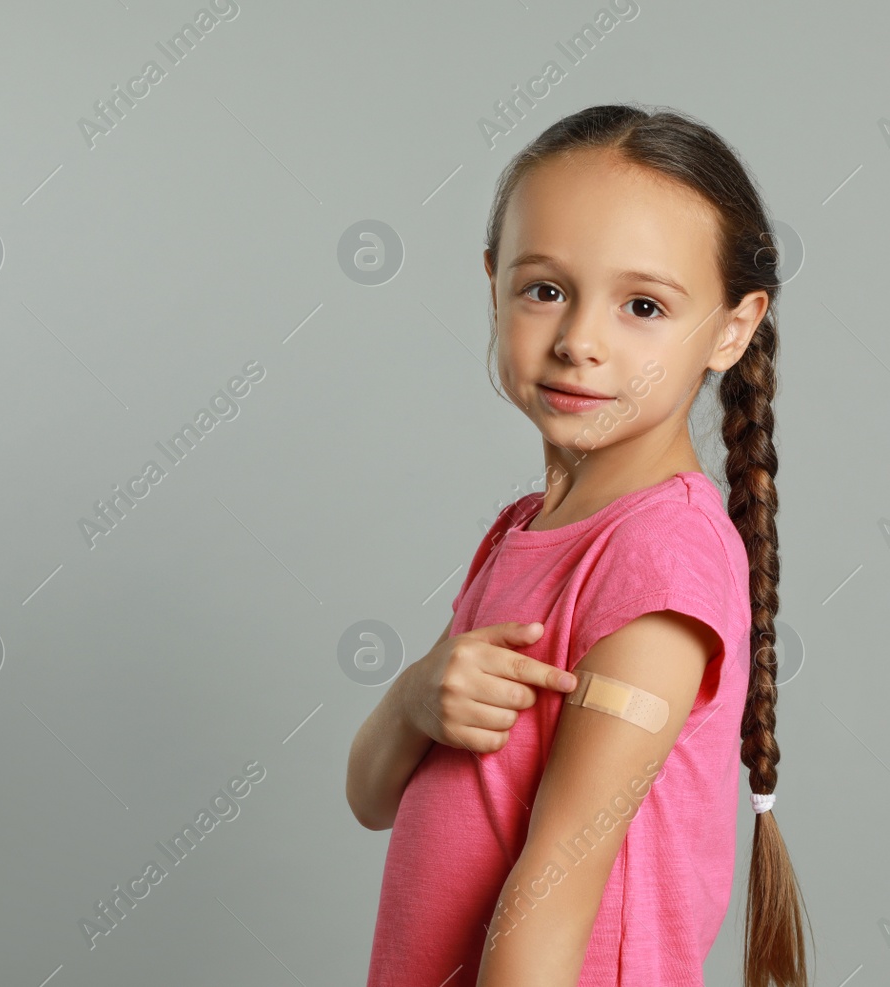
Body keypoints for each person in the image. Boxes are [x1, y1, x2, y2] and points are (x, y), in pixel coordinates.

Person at [347, 103, 812, 986]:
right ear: (493, 285)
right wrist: (414, 699)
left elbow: (557, 883)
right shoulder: (523, 531)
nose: (579, 341)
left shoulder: (658, 559)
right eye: (545, 289)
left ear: (732, 326)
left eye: (643, 305)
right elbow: (371, 797)